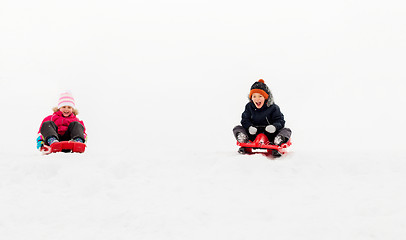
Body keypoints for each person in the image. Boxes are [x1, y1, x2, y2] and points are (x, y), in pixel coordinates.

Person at [233, 79, 291, 146]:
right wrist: (249, 127)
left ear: (265, 97)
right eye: (254, 96)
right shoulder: (249, 107)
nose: (257, 99)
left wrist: (274, 127)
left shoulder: (273, 108)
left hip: (270, 135)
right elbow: (245, 119)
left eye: (260, 96)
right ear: (251, 98)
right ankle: (243, 139)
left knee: (287, 130)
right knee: (237, 128)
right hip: (253, 134)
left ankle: (279, 139)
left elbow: (280, 120)